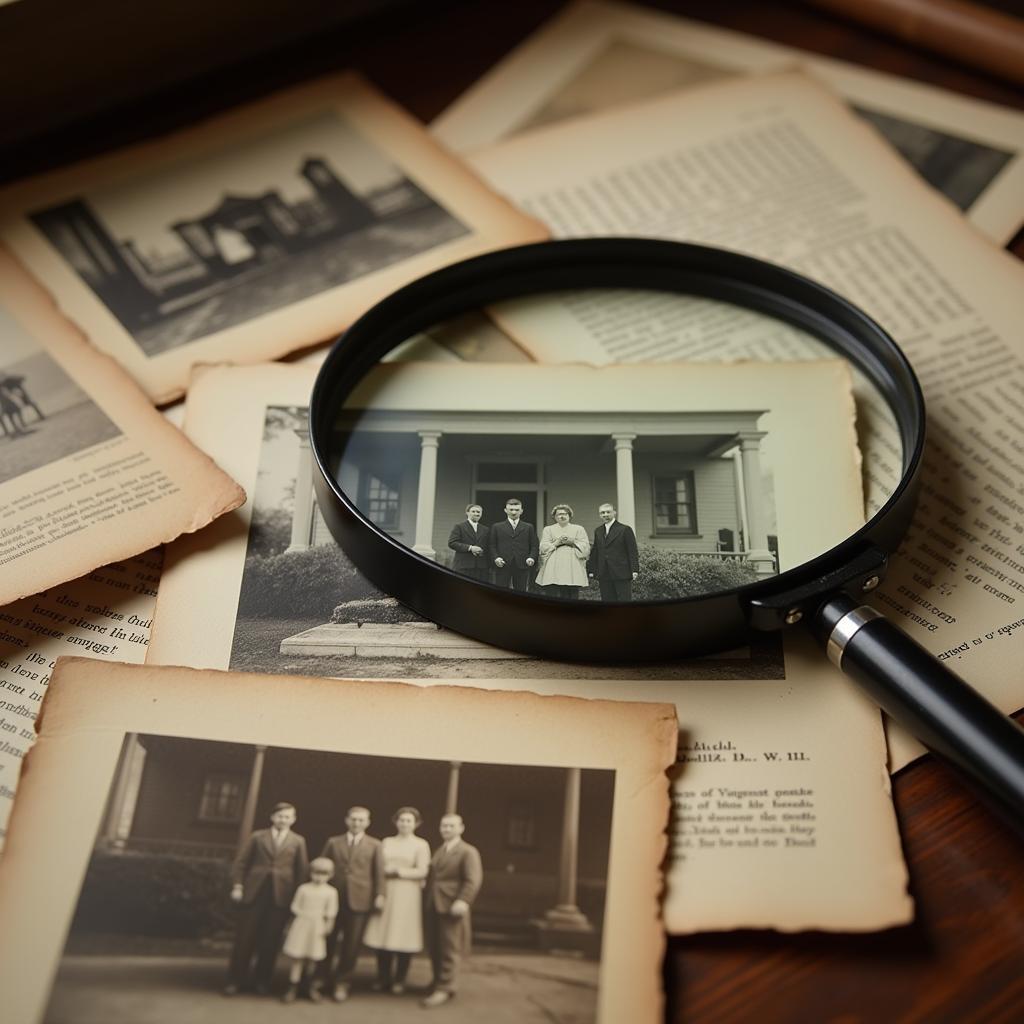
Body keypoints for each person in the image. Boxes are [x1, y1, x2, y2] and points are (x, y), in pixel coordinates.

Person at [225, 801, 309, 996]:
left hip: (281, 897)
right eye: (280, 816)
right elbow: (241, 863)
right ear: (272, 817)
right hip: (254, 894)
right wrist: (238, 886)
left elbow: (301, 871)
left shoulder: (298, 841)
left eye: (287, 817)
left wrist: (297, 900)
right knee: (244, 939)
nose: (283, 820)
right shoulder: (257, 837)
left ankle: (262, 981)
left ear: (293, 820)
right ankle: (235, 981)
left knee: (270, 941)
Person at [319, 805, 386, 1002]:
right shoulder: (333, 842)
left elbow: (379, 873)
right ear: (347, 820)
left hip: (360, 900)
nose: (357, 823)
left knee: (351, 944)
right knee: (328, 939)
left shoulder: (375, 845)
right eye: (353, 819)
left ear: (367, 823)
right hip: (333, 898)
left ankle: (342, 982)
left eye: (361, 820)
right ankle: (321, 978)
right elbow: (323, 867)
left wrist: (380, 895)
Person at [363, 806, 431, 994]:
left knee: (403, 933)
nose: (405, 824)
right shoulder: (387, 842)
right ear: (396, 822)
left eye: (409, 821)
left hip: (407, 892)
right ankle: (382, 977)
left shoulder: (421, 845)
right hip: (387, 890)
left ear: (416, 824)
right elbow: (378, 866)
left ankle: (400, 979)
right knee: (383, 933)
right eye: (401, 820)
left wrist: (399, 871)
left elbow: (423, 871)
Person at [422, 813, 483, 1009]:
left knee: (450, 948)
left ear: (461, 828)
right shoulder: (440, 850)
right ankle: (437, 981)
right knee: (435, 946)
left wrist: (463, 901)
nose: (446, 829)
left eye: (450, 826)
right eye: (443, 826)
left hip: (452, 905)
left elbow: (472, 880)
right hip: (434, 903)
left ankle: (445, 987)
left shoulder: (468, 851)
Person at [280, 857, 339, 1004]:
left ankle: (309, 987)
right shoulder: (304, 889)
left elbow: (331, 911)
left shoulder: (331, 892)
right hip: (302, 923)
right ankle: (292, 987)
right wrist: (303, 915)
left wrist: (328, 925)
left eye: (324, 874)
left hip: (317, 926)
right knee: (298, 957)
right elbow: (295, 906)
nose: (319, 877)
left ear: (330, 875)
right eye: (316, 873)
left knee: (313, 957)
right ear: (310, 873)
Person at [536, 503, 591, 599]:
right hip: (553, 564)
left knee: (571, 591)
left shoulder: (578, 529)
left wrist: (573, 542)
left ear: (569, 515)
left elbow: (586, 547)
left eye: (565, 514)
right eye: (559, 514)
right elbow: (543, 547)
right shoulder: (548, 529)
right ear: (554, 517)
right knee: (553, 590)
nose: (562, 516)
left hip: (572, 563)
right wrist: (556, 543)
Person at [587, 502, 640, 600]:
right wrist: (591, 569)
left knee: (624, 600)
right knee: (607, 600)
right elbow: (596, 551)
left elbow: (632, 551)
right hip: (604, 572)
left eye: (608, 512)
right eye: (602, 513)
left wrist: (634, 569)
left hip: (621, 571)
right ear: (600, 515)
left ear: (614, 513)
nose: (605, 515)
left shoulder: (624, 529)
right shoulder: (598, 531)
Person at [488, 498, 539, 592]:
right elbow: (492, 545)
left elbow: (534, 545)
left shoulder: (528, 527)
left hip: (522, 563)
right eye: (511, 509)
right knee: (501, 591)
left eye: (517, 510)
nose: (514, 512)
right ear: (505, 510)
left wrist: (531, 557)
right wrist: (496, 558)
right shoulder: (497, 527)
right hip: (502, 563)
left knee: (521, 591)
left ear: (521, 511)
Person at [447, 504, 491, 582]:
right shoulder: (459, 527)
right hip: (463, 566)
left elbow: (488, 546)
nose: (476, 513)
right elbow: (452, 543)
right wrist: (470, 548)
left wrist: (481, 551)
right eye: (473, 511)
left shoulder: (485, 529)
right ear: (467, 513)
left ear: (481, 514)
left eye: (478, 512)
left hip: (481, 567)